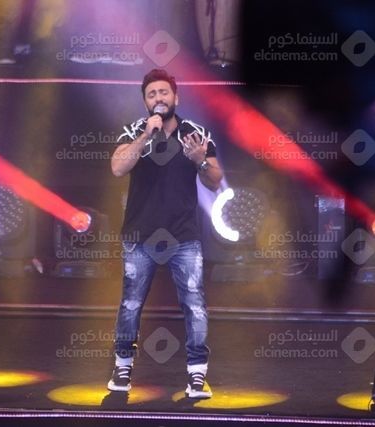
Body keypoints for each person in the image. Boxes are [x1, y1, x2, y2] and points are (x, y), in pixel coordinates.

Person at [108, 69, 223, 398]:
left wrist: (201, 161)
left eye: (163, 92)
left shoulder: (195, 133)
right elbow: (117, 168)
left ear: (176, 97)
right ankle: (122, 367)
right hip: (140, 235)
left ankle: (197, 374)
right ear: (145, 102)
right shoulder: (134, 130)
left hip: (183, 235)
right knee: (131, 304)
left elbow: (215, 181)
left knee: (194, 304)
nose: (158, 98)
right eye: (152, 94)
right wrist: (146, 135)